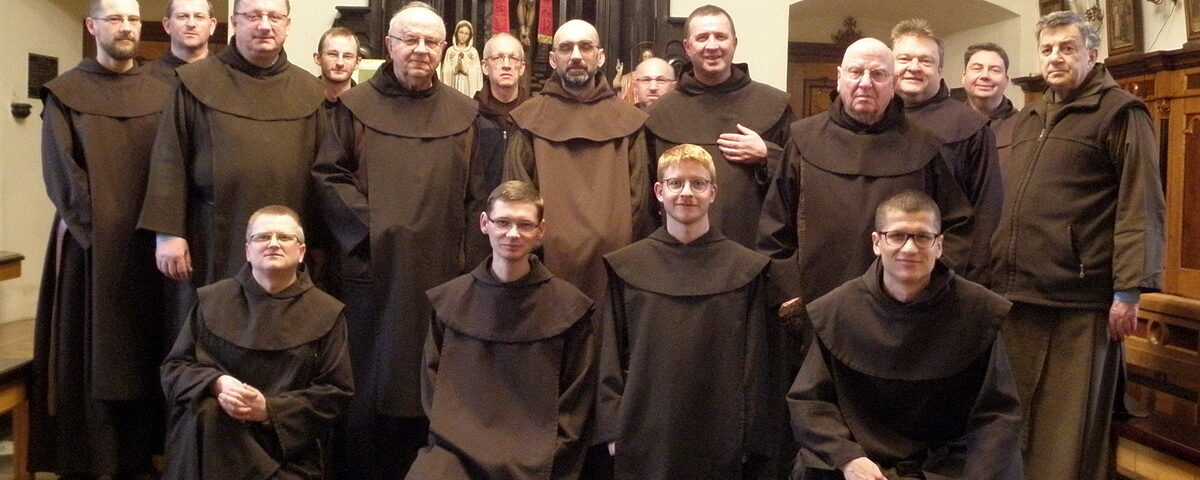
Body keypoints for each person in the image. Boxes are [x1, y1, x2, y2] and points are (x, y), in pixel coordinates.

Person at [991, 11, 1164, 479]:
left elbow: (1141, 205)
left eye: (1067, 48)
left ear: (1092, 53)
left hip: (1079, 303)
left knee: (1065, 440)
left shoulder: (1120, 113)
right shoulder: (1028, 117)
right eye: (1047, 49)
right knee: (1012, 430)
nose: (1055, 57)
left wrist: (1128, 291)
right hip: (1018, 297)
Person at [312, 3, 481, 478]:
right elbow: (328, 176)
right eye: (410, 40)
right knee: (372, 380)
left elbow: (476, 196)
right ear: (389, 45)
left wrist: (468, 261)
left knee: (435, 378)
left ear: (444, 49)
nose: (421, 49)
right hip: (374, 269)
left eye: (431, 42)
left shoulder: (464, 113)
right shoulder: (354, 108)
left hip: (442, 272)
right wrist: (375, 229)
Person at [789, 191, 1022, 480]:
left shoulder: (978, 311)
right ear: (877, 242)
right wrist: (847, 458)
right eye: (897, 236)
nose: (909, 248)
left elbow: (997, 415)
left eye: (923, 237)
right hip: (860, 465)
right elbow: (810, 403)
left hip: (944, 467)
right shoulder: (837, 310)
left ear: (939, 246)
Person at [31, 0, 170, 477]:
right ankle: (92, 461)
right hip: (91, 248)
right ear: (92, 26)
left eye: (132, 19)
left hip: (153, 245)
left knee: (149, 349)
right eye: (115, 18)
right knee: (92, 355)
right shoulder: (64, 92)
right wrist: (103, 230)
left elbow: (173, 164)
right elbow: (61, 172)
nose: (126, 27)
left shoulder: (163, 92)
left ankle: (142, 458)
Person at [137, 0, 327, 339]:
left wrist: (320, 241)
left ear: (287, 24)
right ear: (235, 22)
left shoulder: (309, 91)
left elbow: (322, 173)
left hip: (284, 242)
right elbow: (169, 157)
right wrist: (168, 233)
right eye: (253, 16)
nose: (265, 25)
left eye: (274, 17)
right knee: (209, 332)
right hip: (210, 237)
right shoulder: (196, 81)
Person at [597, 144, 784, 479]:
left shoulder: (745, 270)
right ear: (659, 191)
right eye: (676, 183)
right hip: (644, 427)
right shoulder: (627, 267)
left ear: (713, 192)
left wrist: (750, 436)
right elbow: (610, 354)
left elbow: (756, 363)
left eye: (698, 183)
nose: (687, 192)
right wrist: (613, 428)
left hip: (722, 431)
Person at [406, 181, 596, 480]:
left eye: (525, 225)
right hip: (457, 451)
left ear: (541, 231)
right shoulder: (450, 301)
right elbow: (434, 390)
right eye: (503, 222)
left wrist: (548, 454)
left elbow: (576, 407)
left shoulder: (570, 309)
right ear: (485, 223)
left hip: (537, 455)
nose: (513, 234)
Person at [160, 205, 353, 479]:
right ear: (248, 251)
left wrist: (269, 411)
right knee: (210, 415)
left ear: (301, 252)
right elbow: (174, 369)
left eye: (284, 237)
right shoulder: (213, 300)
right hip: (212, 444)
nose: (273, 243)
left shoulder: (326, 312)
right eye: (262, 237)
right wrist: (216, 383)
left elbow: (335, 392)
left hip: (285, 448)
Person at [504, 18, 653, 304]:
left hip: (612, 263)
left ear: (601, 56)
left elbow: (638, 198)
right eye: (566, 48)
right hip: (544, 263)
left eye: (585, 47)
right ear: (552, 59)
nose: (575, 56)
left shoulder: (628, 121)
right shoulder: (528, 119)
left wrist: (614, 240)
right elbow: (517, 194)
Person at [647, 4, 793, 249]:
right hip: (676, 251)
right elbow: (647, 201)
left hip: (752, 250)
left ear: (734, 43)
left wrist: (767, 156)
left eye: (720, 37)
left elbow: (799, 183)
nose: (712, 45)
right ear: (687, 47)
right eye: (702, 37)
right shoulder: (659, 115)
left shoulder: (774, 105)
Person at [890, 18, 1000, 283]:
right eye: (904, 59)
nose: (913, 67)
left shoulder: (970, 127)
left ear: (940, 70)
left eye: (925, 61)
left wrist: (969, 280)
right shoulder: (873, 119)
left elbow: (987, 211)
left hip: (947, 271)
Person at [466, 32, 531, 266]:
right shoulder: (467, 116)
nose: (506, 64)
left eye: (513, 58)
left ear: (522, 68)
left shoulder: (536, 117)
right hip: (478, 226)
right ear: (485, 66)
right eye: (498, 58)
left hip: (525, 226)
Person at [962, 42, 1018, 174]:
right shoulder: (948, 123)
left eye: (995, 70)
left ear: (1006, 80)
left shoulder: (1024, 125)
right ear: (964, 77)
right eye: (977, 68)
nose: (985, 76)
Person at [144, 0, 216, 84]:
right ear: (167, 25)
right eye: (182, 17)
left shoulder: (226, 76)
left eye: (199, 17)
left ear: (212, 26)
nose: (191, 24)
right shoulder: (144, 79)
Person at [313, 26, 361, 110]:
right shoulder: (301, 101)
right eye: (333, 54)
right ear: (318, 58)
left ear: (357, 62)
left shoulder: (367, 105)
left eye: (347, 56)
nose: (340, 63)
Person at [441, 20, 483, 97]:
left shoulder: (473, 52)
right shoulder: (450, 51)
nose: (463, 36)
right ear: (456, 33)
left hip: (467, 87)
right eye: (461, 32)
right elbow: (444, 70)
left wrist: (466, 70)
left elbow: (478, 73)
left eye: (466, 34)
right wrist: (455, 70)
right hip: (454, 85)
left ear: (470, 36)